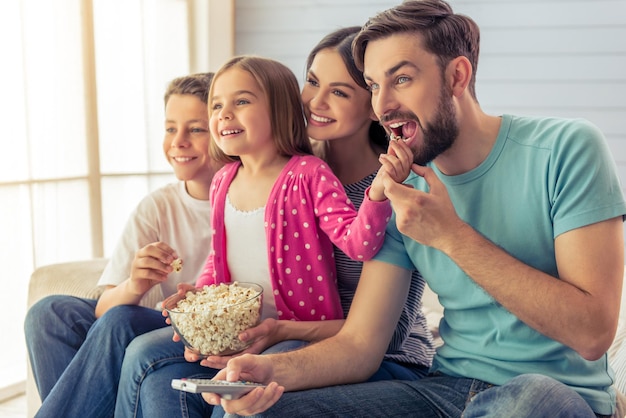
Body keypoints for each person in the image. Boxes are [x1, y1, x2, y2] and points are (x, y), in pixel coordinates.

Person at [203, 1, 626, 417]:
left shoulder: (565, 149)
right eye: (372, 85)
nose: (382, 106)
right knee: (266, 410)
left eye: (401, 79)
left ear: (457, 76)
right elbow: (360, 346)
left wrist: (451, 236)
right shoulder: (396, 189)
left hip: (550, 395)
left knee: (531, 398)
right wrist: (268, 370)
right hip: (446, 392)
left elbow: (592, 333)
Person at [112, 54, 411, 418]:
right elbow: (219, 256)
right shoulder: (223, 179)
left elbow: (358, 243)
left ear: (280, 110)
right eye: (217, 105)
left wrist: (377, 195)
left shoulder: (308, 174)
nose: (224, 114)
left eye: (241, 102)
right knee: (142, 352)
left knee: (240, 396)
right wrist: (198, 300)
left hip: (295, 334)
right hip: (236, 329)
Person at [24, 72, 221, 418]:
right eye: (170, 128)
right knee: (49, 314)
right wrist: (135, 284)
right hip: (156, 323)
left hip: (197, 333)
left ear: (222, 132)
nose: (179, 142)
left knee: (122, 321)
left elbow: (116, 320)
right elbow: (104, 308)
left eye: (196, 129)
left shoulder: (241, 200)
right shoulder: (157, 206)